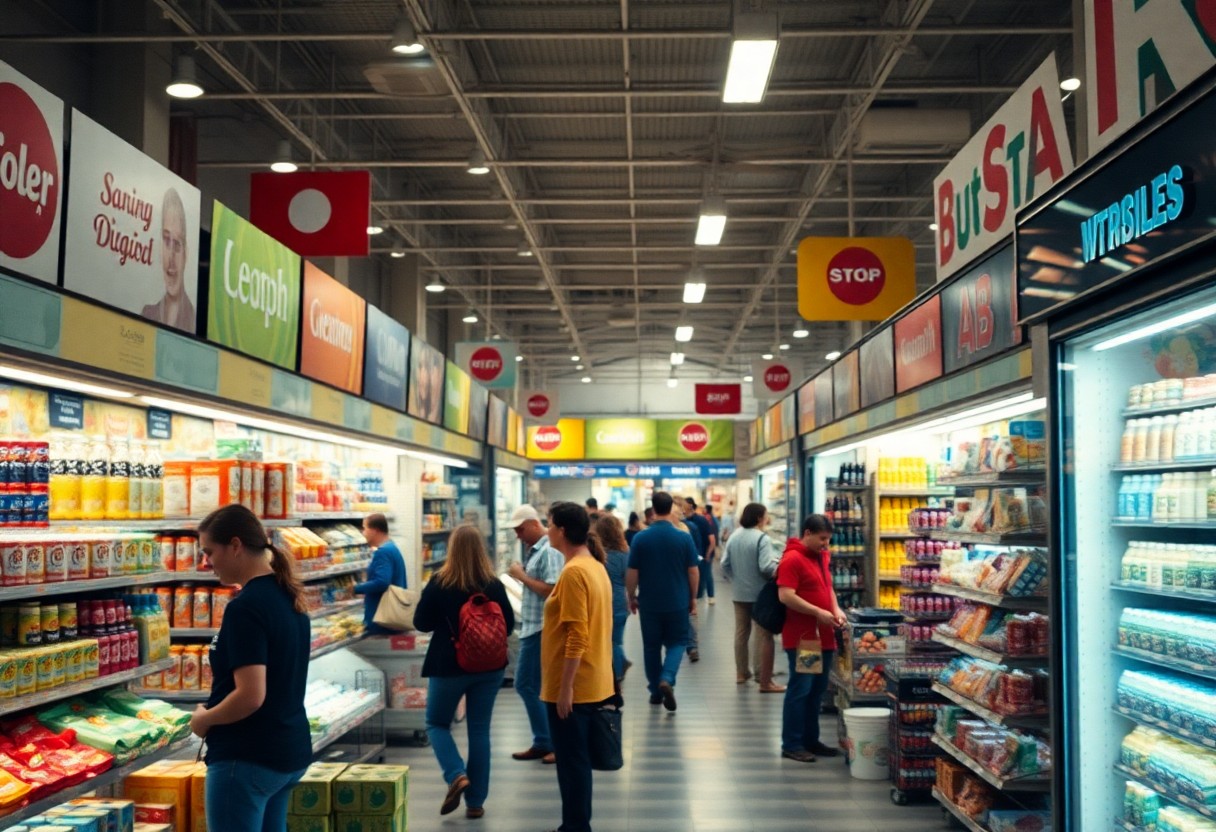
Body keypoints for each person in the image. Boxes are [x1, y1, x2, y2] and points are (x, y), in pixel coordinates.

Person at [189, 505, 310, 832]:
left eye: (209, 552)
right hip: (286, 749)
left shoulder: (246, 608)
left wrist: (205, 719)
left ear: (236, 545)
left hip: (246, 758)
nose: (207, 562)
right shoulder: (289, 596)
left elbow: (251, 695)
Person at [413, 526, 515, 819]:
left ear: (451, 548)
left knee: (436, 723)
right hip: (490, 668)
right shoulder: (493, 584)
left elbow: (421, 622)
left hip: (448, 666)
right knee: (480, 730)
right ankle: (476, 803)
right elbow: (508, 625)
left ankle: (456, 774)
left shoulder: (440, 582)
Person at [541, 503, 614, 832]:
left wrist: (565, 688)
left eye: (549, 525)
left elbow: (577, 634)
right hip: (593, 677)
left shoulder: (573, 572)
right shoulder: (594, 566)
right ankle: (575, 824)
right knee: (577, 762)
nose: (547, 530)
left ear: (563, 531)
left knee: (572, 764)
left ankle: (575, 826)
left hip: (572, 683)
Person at [777, 514, 847, 763]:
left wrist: (835, 608)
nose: (826, 544)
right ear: (807, 533)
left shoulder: (821, 557)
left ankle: (810, 740)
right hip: (806, 639)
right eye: (822, 539)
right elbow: (785, 595)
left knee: (817, 691)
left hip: (824, 636)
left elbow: (827, 587)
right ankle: (792, 743)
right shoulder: (792, 559)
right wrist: (818, 611)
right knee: (802, 689)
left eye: (828, 539)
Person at [626, 492, 699, 711]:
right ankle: (667, 678)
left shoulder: (640, 538)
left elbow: (632, 572)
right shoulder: (683, 537)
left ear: (653, 509)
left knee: (651, 647)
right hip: (677, 601)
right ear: (672, 508)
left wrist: (632, 596)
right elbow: (693, 572)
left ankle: (655, 693)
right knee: (677, 642)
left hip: (649, 603)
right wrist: (693, 598)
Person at [505, 505, 565, 764]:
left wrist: (521, 577)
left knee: (526, 684)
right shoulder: (536, 550)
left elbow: (552, 590)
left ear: (532, 524)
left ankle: (550, 742)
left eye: (520, 529)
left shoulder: (549, 551)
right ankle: (543, 741)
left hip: (541, 627)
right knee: (538, 686)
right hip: (533, 626)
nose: (518, 535)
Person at [720, 503, 784, 692]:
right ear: (758, 518)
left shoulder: (734, 536)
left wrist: (736, 579)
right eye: (765, 516)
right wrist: (779, 570)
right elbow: (765, 566)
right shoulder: (761, 538)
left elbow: (724, 564)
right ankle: (760, 674)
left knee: (741, 632)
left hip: (739, 593)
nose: (767, 519)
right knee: (762, 634)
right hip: (760, 594)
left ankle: (741, 673)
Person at [141, 187, 196, 332]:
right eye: (166, 240)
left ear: (186, 254)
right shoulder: (147, 315)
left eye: (177, 244)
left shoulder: (194, 321)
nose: (171, 258)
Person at [353, 513, 407, 635]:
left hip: (382, 619)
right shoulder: (392, 547)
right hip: (392, 615)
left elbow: (381, 582)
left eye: (365, 528)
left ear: (375, 530)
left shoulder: (383, 552)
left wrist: (355, 589)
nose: (363, 532)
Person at [595, 513, 631, 683]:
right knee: (615, 640)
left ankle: (616, 676)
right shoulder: (625, 554)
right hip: (621, 602)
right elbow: (629, 580)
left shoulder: (598, 555)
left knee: (611, 642)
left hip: (604, 603)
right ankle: (621, 662)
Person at [670, 503, 704, 663]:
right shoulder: (683, 530)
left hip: (679, 578)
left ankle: (688, 646)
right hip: (681, 579)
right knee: (688, 614)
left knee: (688, 614)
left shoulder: (684, 530)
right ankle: (689, 645)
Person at [684, 497, 717, 607]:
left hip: (705, 552)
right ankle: (697, 597)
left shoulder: (701, 520)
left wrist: (708, 554)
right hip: (696, 553)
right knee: (699, 574)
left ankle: (710, 596)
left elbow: (712, 539)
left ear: (690, 506)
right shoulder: (684, 521)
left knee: (706, 574)